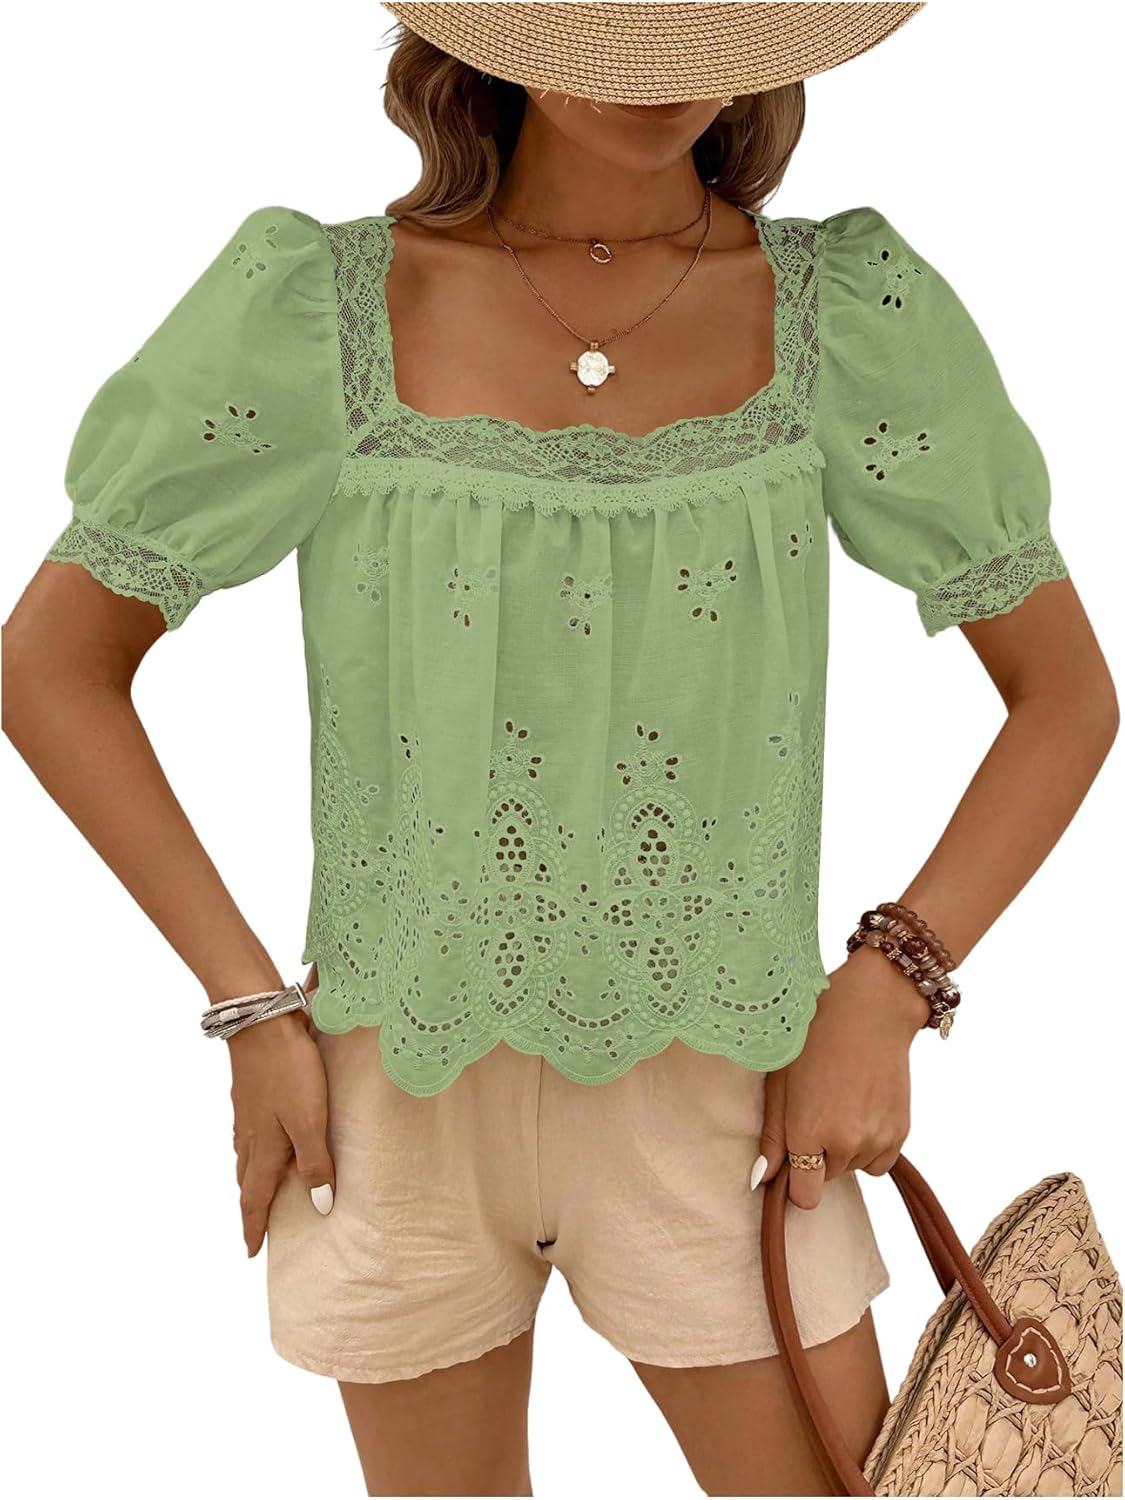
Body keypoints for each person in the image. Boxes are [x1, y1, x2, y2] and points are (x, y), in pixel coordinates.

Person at [2, 2, 1118, 1495]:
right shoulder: (321, 307)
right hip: (392, 1100)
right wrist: (249, 1007)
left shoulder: (841, 315)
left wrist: (889, 983)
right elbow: (52, 667)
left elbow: (1064, 696)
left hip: (728, 1105)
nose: (656, 65)